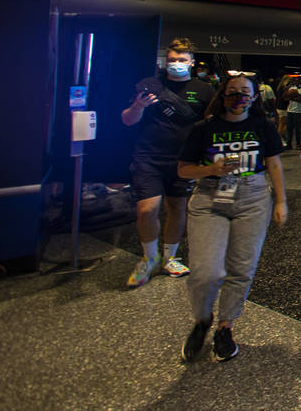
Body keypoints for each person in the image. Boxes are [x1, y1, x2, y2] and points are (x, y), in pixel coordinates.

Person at [176, 72, 287, 362]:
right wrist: (210, 170)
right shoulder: (204, 128)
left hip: (253, 197)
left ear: (254, 97)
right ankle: (202, 319)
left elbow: (274, 163)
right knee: (205, 272)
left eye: (244, 92)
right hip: (209, 198)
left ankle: (226, 325)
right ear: (222, 95)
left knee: (242, 267)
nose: (239, 97)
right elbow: (183, 169)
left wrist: (281, 201)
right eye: (233, 91)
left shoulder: (262, 126)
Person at [120, 37, 215, 288]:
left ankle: (169, 256)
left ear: (191, 63)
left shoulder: (204, 90)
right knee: (147, 209)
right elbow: (127, 120)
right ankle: (149, 258)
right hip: (148, 157)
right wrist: (138, 106)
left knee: (177, 208)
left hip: (183, 160)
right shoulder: (149, 85)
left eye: (182, 60)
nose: (176, 64)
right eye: (172, 60)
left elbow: (210, 123)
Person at [284, 82, 301, 151]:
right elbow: (285, 98)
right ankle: (289, 144)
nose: (296, 81)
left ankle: (298, 144)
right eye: (295, 80)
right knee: (289, 129)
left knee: (297, 129)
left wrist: (295, 98)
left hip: (298, 111)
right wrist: (286, 89)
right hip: (290, 110)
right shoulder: (291, 88)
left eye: (298, 80)